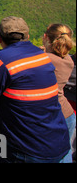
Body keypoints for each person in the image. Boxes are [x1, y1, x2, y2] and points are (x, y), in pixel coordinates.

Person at [0, 16, 70, 163]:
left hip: (29, 150)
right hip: (60, 142)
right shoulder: (42, 55)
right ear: (28, 36)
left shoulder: (2, 59)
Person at [42, 24, 76, 162]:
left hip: (50, 117)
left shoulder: (42, 60)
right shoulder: (68, 60)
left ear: (45, 37)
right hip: (67, 114)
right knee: (65, 155)